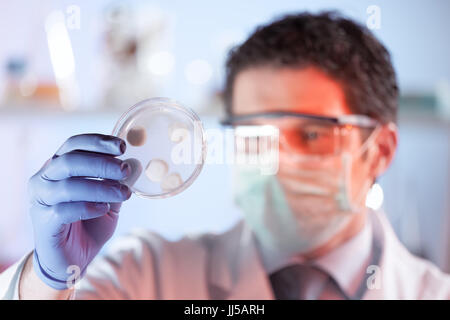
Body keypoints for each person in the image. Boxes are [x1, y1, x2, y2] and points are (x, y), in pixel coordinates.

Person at [1, 11, 450, 300]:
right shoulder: (148, 274)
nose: (276, 159)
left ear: (380, 150)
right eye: (255, 133)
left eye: (312, 134)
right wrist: (49, 280)